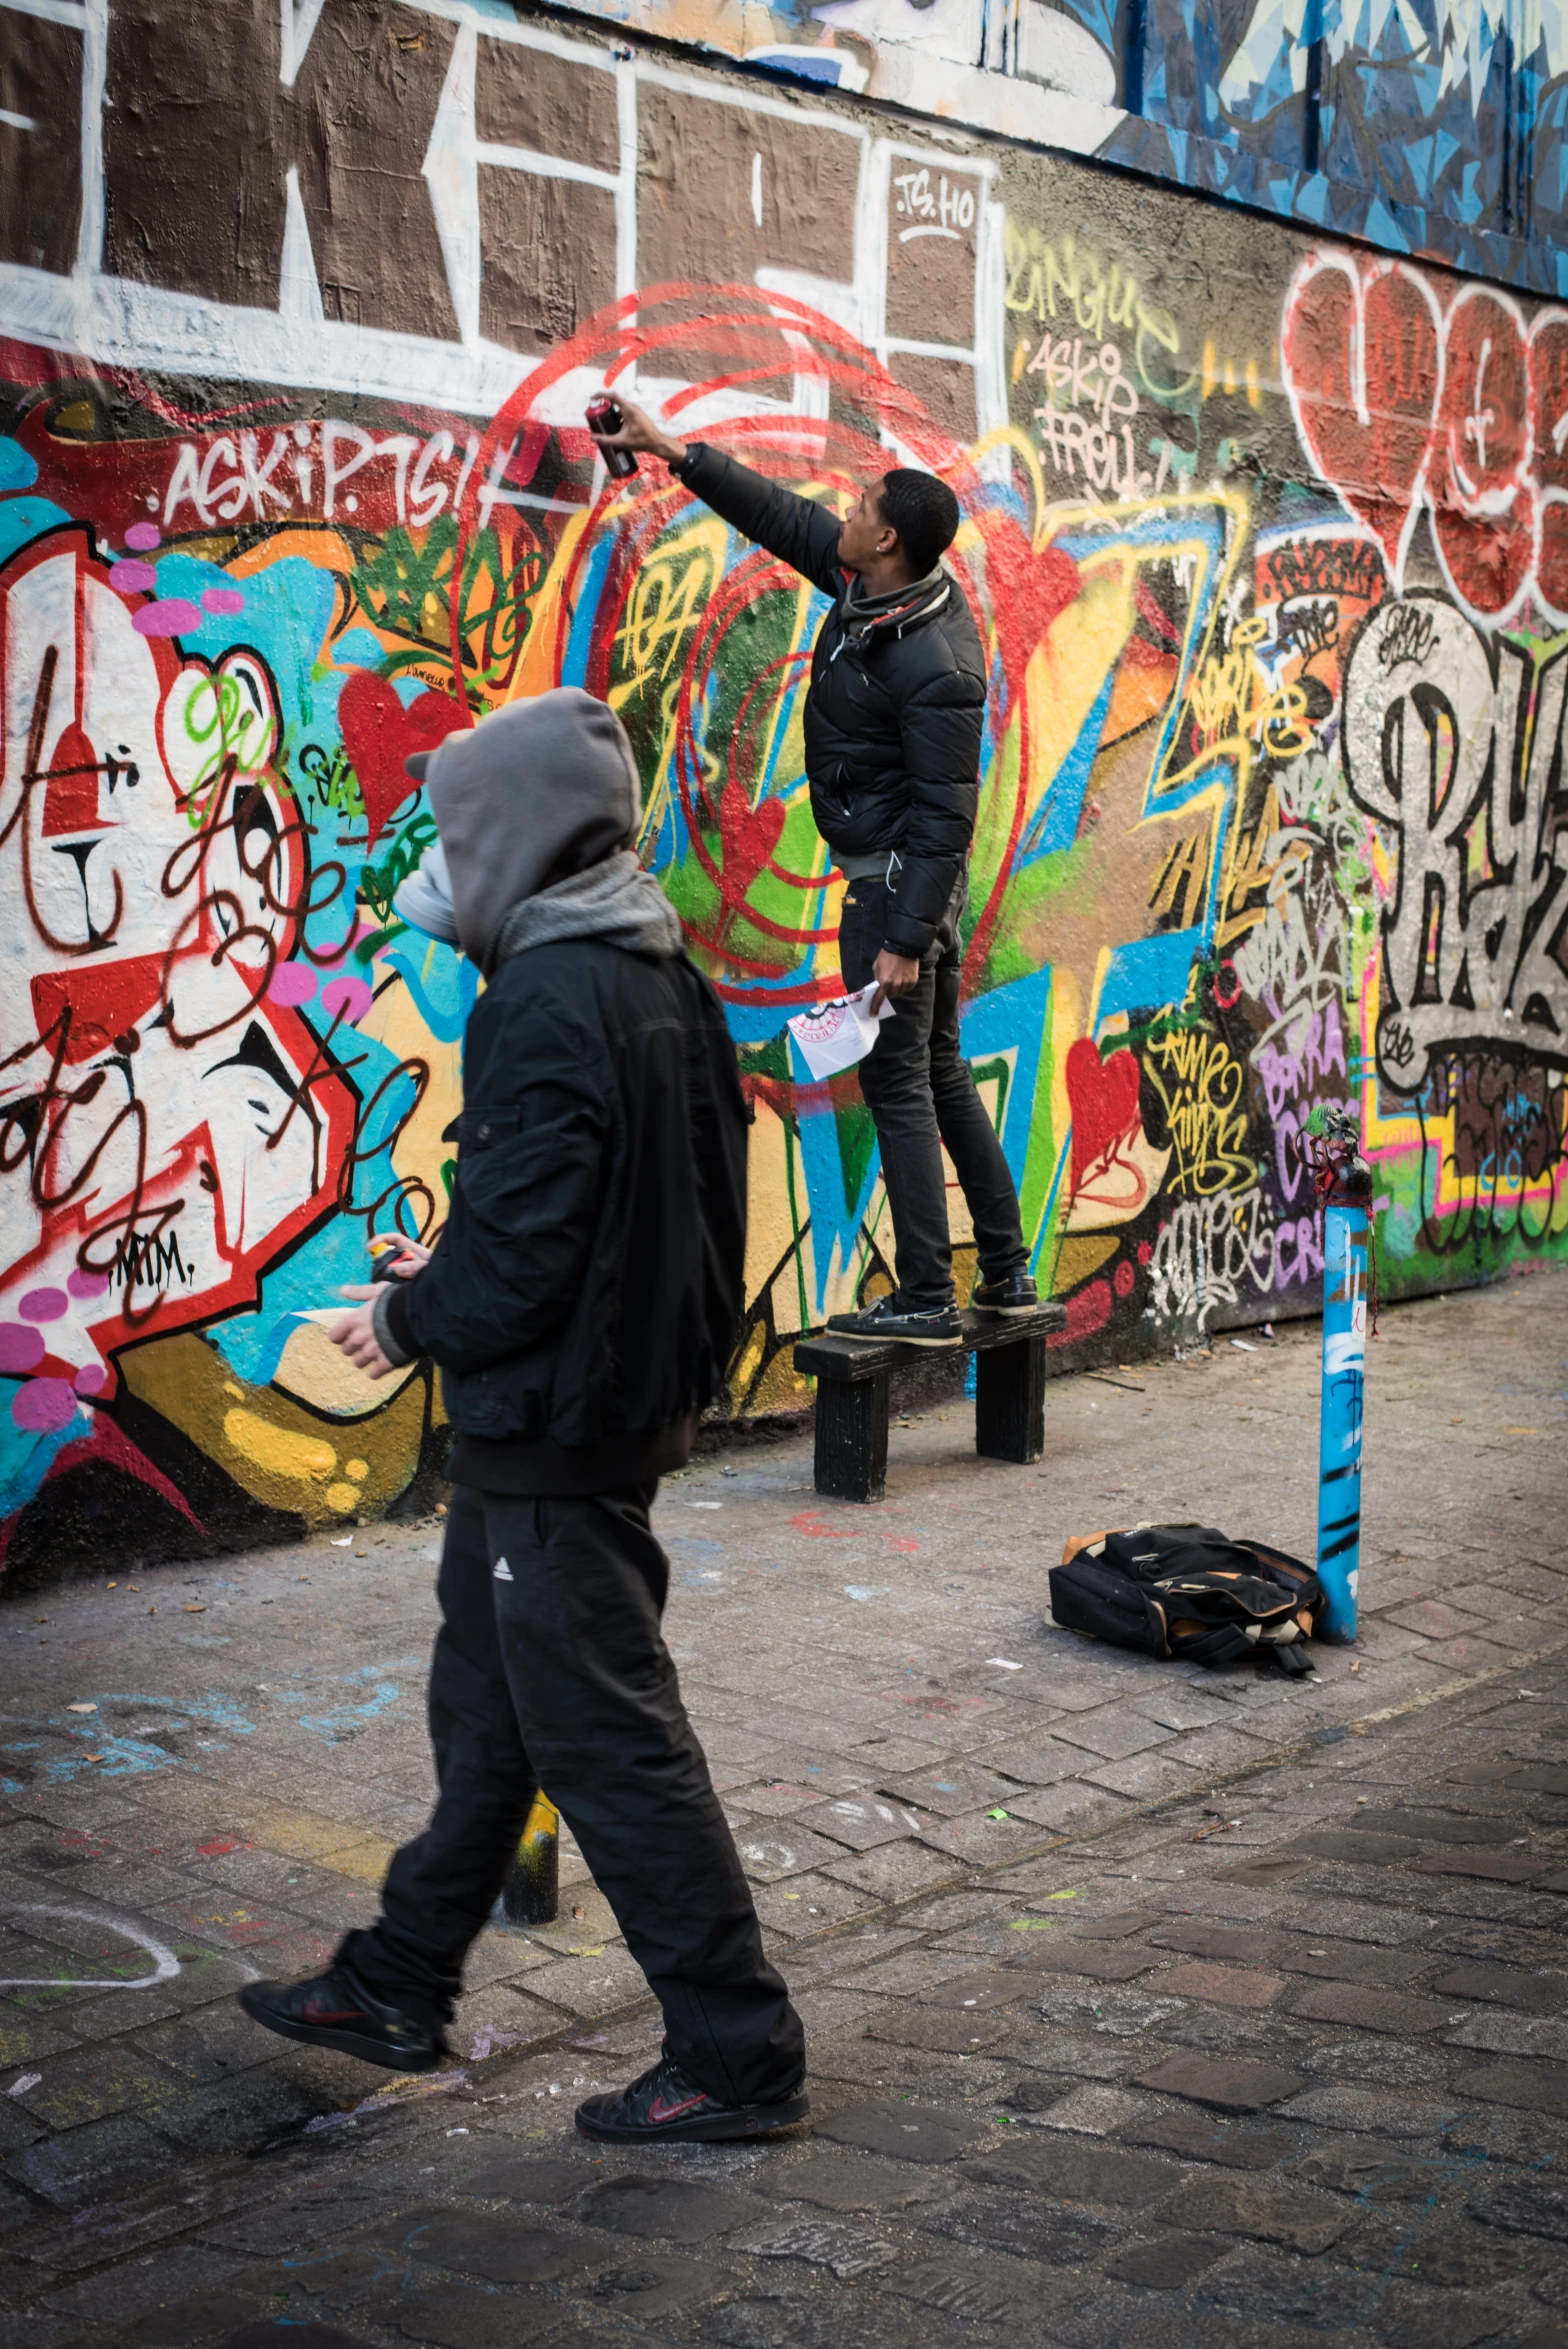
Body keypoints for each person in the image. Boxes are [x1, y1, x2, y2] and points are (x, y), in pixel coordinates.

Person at [237, 687, 808, 2145]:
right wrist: (466, 1274)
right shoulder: (649, 960)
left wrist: (409, 1314)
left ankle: (736, 2055)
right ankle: (396, 1977)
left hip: (557, 1428)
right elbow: (624, 1206)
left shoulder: (548, 992)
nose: (445, 848)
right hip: (577, 1413)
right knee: (492, 1713)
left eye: (459, 824)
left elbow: (536, 1247)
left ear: (517, 834)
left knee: (610, 1742)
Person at [591, 398, 1037, 1349]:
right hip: (893, 883)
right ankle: (1004, 1268)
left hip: (895, 891)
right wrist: (676, 452)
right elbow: (782, 517)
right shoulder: (874, 588)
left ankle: (925, 1293)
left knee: (902, 1086)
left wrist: (906, 939)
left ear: (885, 540)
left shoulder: (934, 660)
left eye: (863, 499)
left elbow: (946, 814)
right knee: (940, 1072)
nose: (848, 500)